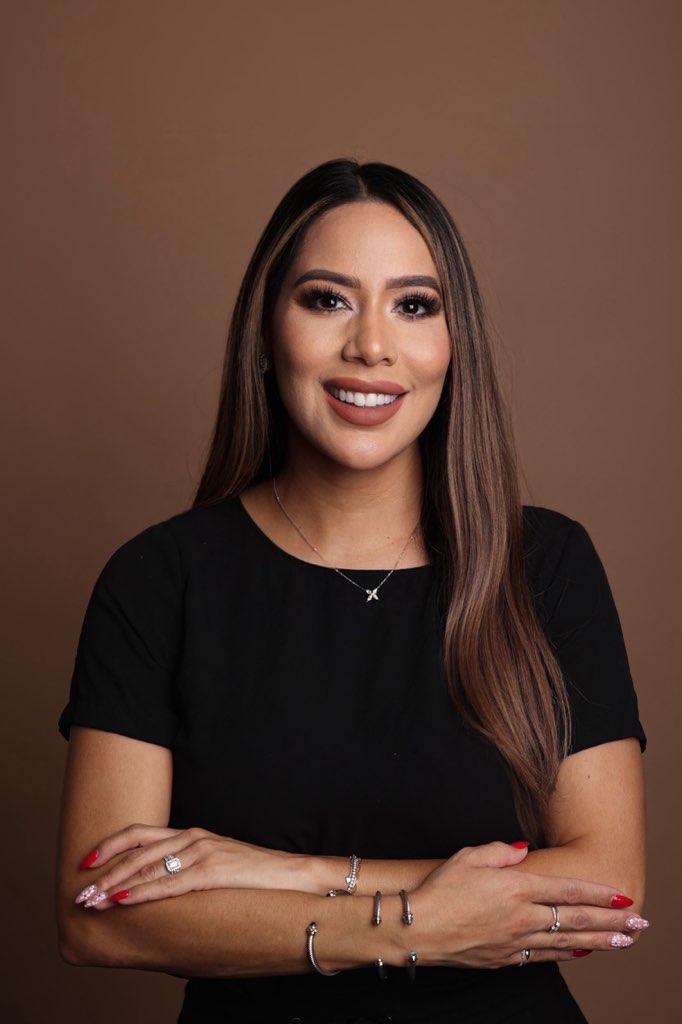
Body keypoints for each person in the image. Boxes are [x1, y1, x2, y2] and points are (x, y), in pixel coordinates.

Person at [57, 158, 647, 1024]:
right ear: (267, 330)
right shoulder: (158, 581)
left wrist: (281, 870)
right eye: (327, 298)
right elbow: (98, 924)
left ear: (456, 343)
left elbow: (608, 885)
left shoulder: (545, 563)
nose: (372, 344)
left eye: (414, 305)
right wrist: (412, 927)